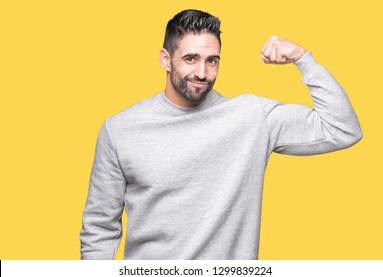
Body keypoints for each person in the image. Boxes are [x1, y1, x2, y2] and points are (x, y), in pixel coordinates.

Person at [80, 9, 362, 260]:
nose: (202, 72)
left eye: (212, 60)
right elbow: (100, 228)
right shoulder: (120, 129)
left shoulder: (252, 117)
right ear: (165, 60)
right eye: (190, 58)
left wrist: (303, 59)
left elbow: (342, 129)